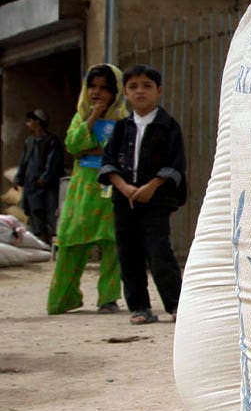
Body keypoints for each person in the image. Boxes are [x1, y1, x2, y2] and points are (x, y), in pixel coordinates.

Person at [98, 64, 187, 326]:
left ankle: (176, 304)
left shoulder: (168, 126)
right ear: (125, 92)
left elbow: (176, 163)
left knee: (159, 252)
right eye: (133, 87)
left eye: (147, 86)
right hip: (124, 201)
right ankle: (139, 307)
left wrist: (152, 186)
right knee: (128, 254)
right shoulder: (121, 127)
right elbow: (108, 161)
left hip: (156, 200)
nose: (140, 92)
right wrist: (124, 187)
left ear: (158, 91)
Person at [49, 65, 125, 314]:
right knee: (71, 241)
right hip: (82, 191)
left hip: (111, 188)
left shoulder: (123, 119)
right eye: (92, 86)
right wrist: (92, 118)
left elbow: (120, 151)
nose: (97, 92)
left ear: (115, 92)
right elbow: (72, 145)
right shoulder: (80, 116)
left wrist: (89, 150)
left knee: (112, 243)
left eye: (104, 88)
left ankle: (108, 298)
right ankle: (63, 299)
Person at [15, 109, 64, 242]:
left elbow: (53, 160)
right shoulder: (29, 141)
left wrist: (45, 177)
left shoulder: (51, 140)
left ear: (37, 122)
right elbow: (24, 160)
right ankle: (40, 242)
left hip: (46, 185)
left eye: (30, 121)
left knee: (50, 212)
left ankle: (51, 240)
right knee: (34, 212)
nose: (27, 124)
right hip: (31, 183)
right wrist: (19, 177)